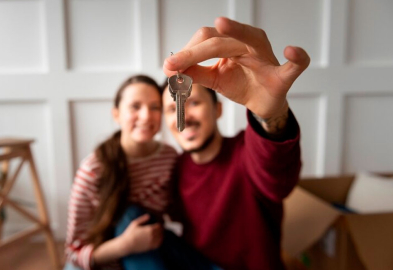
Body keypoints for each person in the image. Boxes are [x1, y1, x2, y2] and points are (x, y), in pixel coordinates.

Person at [161, 17, 310, 269]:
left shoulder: (246, 151)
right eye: (171, 108)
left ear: (217, 110)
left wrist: (270, 114)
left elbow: (277, 178)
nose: (183, 115)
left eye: (194, 102)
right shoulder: (173, 168)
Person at [64, 75, 178, 270]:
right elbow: (73, 253)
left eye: (154, 107)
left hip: (148, 253)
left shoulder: (169, 157)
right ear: (116, 114)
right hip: (102, 261)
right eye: (135, 107)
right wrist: (126, 245)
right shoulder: (93, 170)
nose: (146, 116)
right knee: (130, 214)